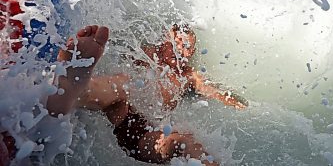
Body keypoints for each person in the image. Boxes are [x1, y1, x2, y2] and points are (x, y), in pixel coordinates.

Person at [45, 25, 220, 165]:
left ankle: (72, 88)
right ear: (166, 41)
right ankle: (72, 90)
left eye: (187, 47)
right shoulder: (148, 53)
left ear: (192, 52)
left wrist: (239, 103)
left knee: (183, 140)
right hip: (122, 100)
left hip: (143, 130)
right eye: (177, 43)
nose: (180, 50)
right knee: (121, 83)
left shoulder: (189, 76)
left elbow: (216, 92)